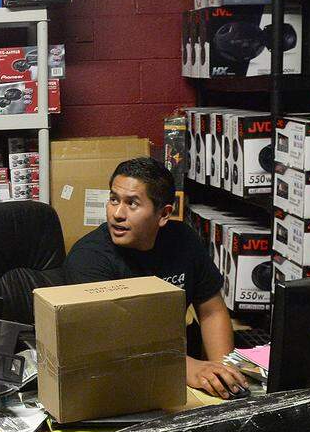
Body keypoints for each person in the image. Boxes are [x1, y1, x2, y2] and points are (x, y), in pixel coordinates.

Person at [62, 157, 248, 399]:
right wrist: (188, 367)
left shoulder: (184, 240)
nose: (117, 213)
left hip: (177, 370)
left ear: (163, 214)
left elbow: (211, 310)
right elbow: (112, 344)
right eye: (114, 200)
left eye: (132, 204)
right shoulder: (88, 259)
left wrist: (224, 372)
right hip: (117, 379)